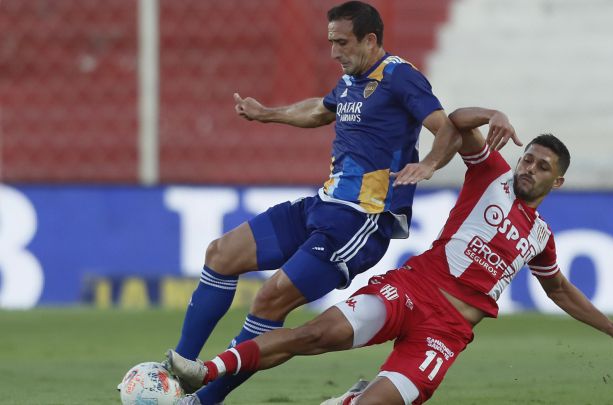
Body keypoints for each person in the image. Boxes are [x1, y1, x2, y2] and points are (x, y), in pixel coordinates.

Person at [166, 107, 613, 404]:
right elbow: (455, 122)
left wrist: (610, 327)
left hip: (447, 332)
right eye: (527, 158)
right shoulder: (491, 175)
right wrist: (492, 115)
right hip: (412, 289)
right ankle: (204, 373)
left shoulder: (540, 237)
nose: (529, 168)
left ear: (558, 181)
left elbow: (560, 289)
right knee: (313, 336)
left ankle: (354, 397)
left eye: (542, 166)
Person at [169, 2, 484, 403]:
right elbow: (322, 109)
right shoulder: (351, 78)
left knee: (270, 299)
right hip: (322, 204)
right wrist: (268, 114)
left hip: (361, 220)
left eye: (342, 43)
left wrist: (429, 164)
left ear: (370, 40)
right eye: (331, 42)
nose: (334, 52)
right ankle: (177, 370)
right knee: (221, 253)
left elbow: (448, 128)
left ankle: (203, 400)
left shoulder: (399, 76)